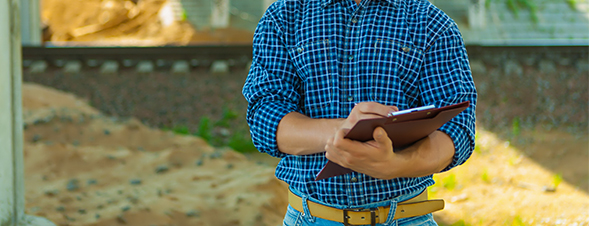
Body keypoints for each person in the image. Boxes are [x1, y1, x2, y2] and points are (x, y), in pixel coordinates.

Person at [242, 0, 477, 225]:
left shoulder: (432, 23)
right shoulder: (283, 17)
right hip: (310, 219)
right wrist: (344, 131)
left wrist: (398, 164)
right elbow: (265, 118)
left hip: (405, 219)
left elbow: (457, 129)